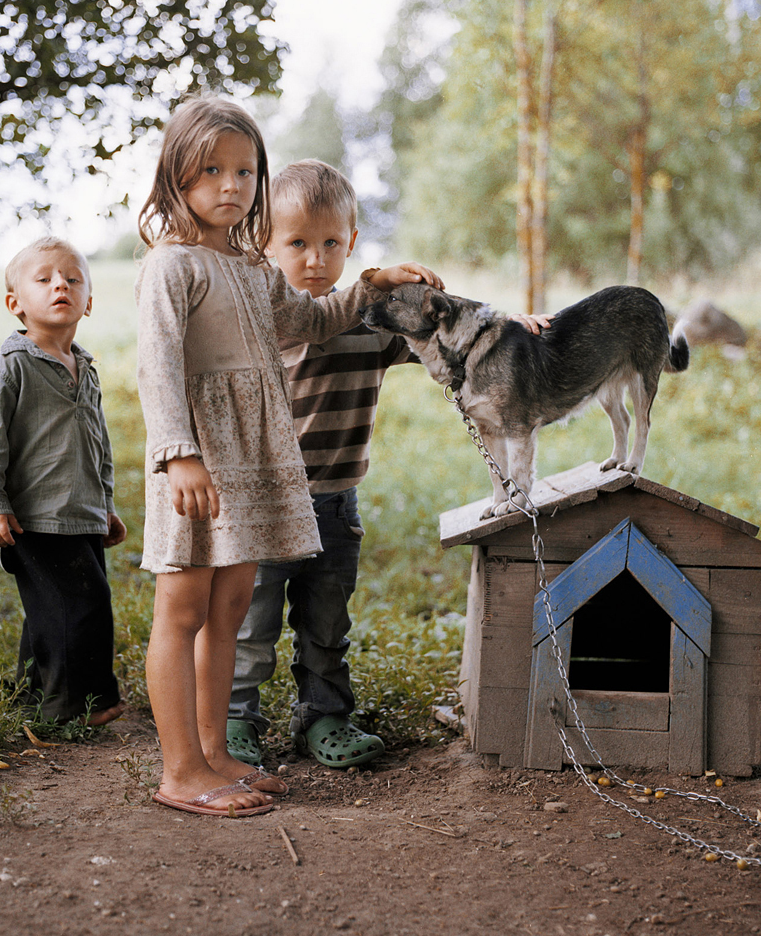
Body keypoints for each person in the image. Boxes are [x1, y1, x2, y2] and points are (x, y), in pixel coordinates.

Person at [135, 96, 441, 818]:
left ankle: (217, 754)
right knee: (183, 607)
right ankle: (180, 769)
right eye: (210, 169)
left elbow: (309, 319)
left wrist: (370, 286)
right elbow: (157, 365)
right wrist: (180, 455)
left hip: (256, 456)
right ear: (176, 174)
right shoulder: (172, 267)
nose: (231, 185)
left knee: (230, 604)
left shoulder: (248, 264)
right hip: (203, 458)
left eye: (245, 170)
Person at [226, 160, 554, 771]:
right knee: (254, 620)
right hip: (266, 501)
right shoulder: (265, 320)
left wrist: (515, 328)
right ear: (266, 244)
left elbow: (452, 331)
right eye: (296, 243)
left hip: (334, 502)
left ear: (351, 244)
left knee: (326, 621)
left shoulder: (372, 325)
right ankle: (236, 718)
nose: (315, 258)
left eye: (330, 243)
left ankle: (324, 716)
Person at [0, 237, 127, 727]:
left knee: (52, 607)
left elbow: (97, 443)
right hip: (35, 516)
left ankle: (33, 695)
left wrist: (104, 504)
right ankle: (76, 706)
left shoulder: (87, 371)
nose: (61, 284)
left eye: (73, 278)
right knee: (83, 604)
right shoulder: (9, 369)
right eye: (45, 279)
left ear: (89, 301)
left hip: (79, 512)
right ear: (16, 303)